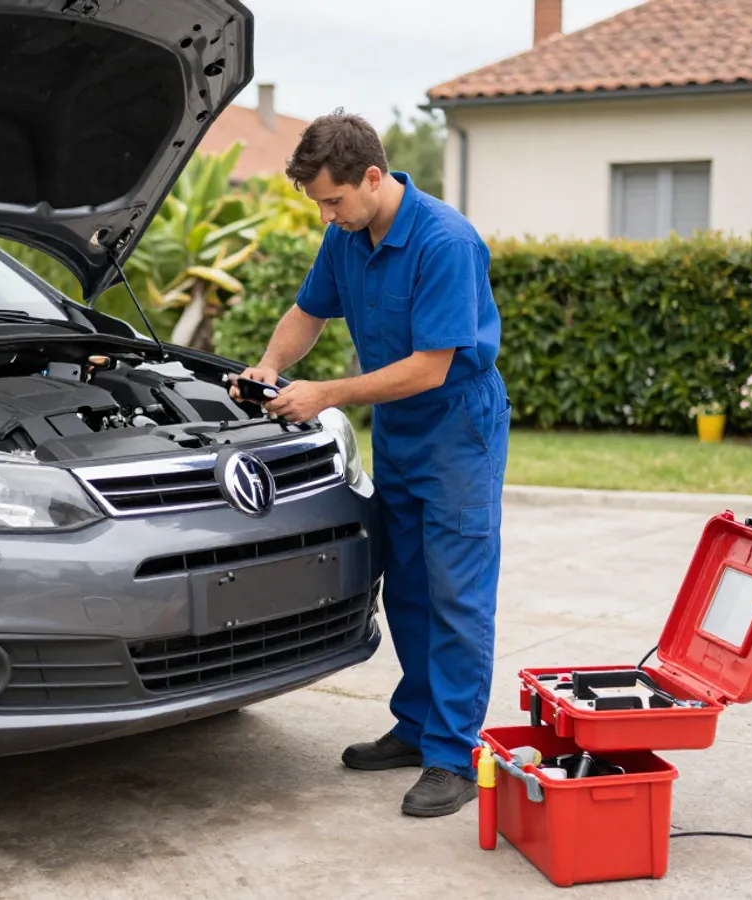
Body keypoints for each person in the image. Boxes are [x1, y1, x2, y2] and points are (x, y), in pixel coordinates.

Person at [233, 110, 510, 818]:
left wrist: (325, 392)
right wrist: (268, 364)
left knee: (456, 593)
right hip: (401, 429)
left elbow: (428, 368)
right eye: (319, 203)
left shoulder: (446, 242)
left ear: (373, 178)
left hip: (456, 428)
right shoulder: (347, 237)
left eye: (333, 199)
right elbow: (308, 313)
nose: (327, 215)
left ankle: (453, 753)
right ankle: (417, 728)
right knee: (408, 585)